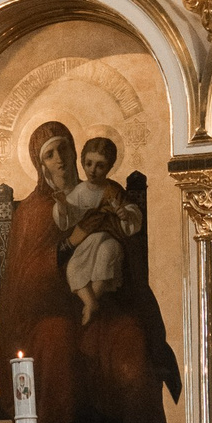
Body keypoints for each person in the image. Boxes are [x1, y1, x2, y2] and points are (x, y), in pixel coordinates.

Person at [0, 121, 178, 423]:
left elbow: (125, 250)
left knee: (128, 344)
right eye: (49, 154)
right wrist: (70, 243)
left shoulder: (103, 193)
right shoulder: (32, 211)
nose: (59, 160)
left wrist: (110, 238)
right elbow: (24, 283)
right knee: (58, 344)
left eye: (64, 149)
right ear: (39, 164)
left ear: (75, 152)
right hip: (48, 313)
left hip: (103, 303)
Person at [56, 136, 140, 328]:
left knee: (107, 254)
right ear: (82, 162)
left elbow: (133, 215)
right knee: (74, 267)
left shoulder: (113, 190)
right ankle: (91, 303)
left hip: (111, 238)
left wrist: (125, 214)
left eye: (100, 166)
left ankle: (91, 303)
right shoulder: (79, 191)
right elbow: (68, 218)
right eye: (89, 164)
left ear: (109, 167)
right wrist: (62, 207)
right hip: (87, 241)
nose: (93, 170)